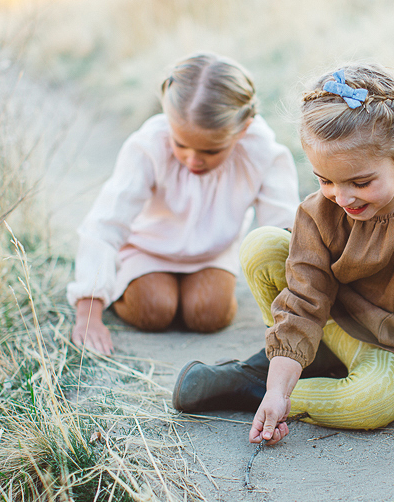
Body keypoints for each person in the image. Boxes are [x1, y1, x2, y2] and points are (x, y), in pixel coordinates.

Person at [172, 63, 394, 441]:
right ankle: (286, 376)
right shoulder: (321, 212)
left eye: (360, 182)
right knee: (264, 245)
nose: (342, 197)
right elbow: (302, 300)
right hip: (335, 325)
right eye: (325, 179)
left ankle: (253, 388)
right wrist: (282, 379)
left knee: (372, 401)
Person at [67, 52, 300, 355]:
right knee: (154, 309)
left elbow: (283, 231)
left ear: (242, 130)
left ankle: (189, 293)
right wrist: (88, 311)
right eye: (180, 144)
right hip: (146, 248)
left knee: (208, 314)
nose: (193, 159)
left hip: (211, 253)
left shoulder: (263, 152)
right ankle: (121, 285)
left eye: (211, 150)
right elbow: (105, 223)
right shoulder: (148, 145)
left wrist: (299, 311)